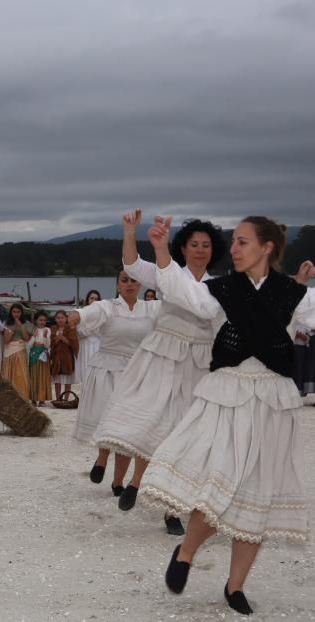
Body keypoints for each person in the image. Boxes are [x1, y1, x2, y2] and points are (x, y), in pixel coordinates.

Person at [137, 215, 315, 615]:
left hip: (274, 402)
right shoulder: (219, 290)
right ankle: (187, 551)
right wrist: (159, 249)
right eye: (235, 242)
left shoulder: (294, 294)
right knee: (219, 486)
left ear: (267, 248)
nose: (235, 249)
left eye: (243, 242)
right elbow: (181, 291)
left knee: (259, 496)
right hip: (227, 395)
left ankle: (235, 586)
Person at [94, 214, 224, 531]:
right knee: (153, 421)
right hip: (163, 357)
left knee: (188, 435)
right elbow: (133, 264)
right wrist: (129, 232)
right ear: (183, 247)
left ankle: (172, 510)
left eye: (206, 245)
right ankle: (136, 480)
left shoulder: (220, 285)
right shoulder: (168, 274)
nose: (200, 249)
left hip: (199, 364)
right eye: (194, 244)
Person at [71, 269, 160, 497]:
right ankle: (102, 458)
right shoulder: (107, 306)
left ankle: (118, 481)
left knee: (128, 430)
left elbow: (179, 313)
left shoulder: (151, 308)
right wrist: (76, 315)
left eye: (133, 280)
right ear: (118, 284)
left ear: (140, 284)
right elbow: (86, 312)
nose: (129, 284)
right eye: (124, 280)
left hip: (136, 371)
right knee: (107, 419)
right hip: (107, 369)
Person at [2, 303, 33, 399]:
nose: (16, 314)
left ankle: (22, 396)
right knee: (8, 374)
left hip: (20, 350)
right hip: (9, 351)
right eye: (14, 312)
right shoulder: (7, 323)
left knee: (20, 374)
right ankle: (9, 396)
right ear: (11, 312)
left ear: (21, 313)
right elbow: (6, 340)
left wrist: (21, 326)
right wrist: (15, 328)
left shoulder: (26, 323)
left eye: (18, 312)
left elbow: (27, 338)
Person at [75, 290, 102, 388]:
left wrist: (90, 328)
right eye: (92, 298)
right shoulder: (82, 313)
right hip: (85, 345)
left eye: (96, 299)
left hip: (98, 346)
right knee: (85, 372)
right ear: (87, 300)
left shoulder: (102, 314)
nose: (94, 301)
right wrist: (93, 328)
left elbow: (103, 332)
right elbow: (80, 331)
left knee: (97, 373)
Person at [50, 309, 79, 402]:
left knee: (67, 380)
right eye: (58, 318)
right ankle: (58, 398)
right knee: (57, 380)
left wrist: (63, 338)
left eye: (62, 317)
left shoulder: (71, 328)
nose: (60, 320)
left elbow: (74, 342)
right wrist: (56, 340)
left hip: (67, 356)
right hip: (57, 356)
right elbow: (51, 342)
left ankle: (66, 399)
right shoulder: (53, 328)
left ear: (66, 318)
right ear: (55, 319)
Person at [27, 310, 52, 406]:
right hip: (34, 354)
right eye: (40, 320)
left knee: (43, 376)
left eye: (44, 320)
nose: (42, 322)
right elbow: (29, 345)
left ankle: (42, 399)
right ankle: (33, 399)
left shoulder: (48, 330)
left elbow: (47, 345)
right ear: (36, 321)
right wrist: (33, 336)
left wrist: (46, 337)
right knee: (33, 375)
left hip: (43, 355)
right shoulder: (33, 329)